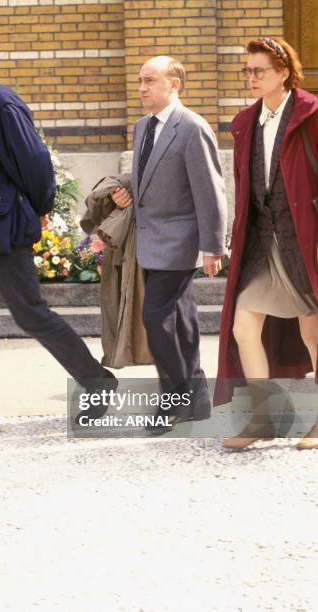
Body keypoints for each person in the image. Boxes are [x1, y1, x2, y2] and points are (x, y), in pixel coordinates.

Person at [0, 22, 116, 433]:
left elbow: (36, 164)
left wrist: (41, 207)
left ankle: (98, 382)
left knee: (30, 314)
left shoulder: (0, 102)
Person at [112, 56, 227, 433]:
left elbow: (211, 191)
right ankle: (198, 399)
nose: (142, 87)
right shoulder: (143, 125)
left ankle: (175, 400)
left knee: (155, 317)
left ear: (173, 84)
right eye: (140, 80)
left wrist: (213, 246)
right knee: (181, 318)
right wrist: (126, 191)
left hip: (180, 240)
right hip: (150, 237)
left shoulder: (192, 127)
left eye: (150, 80)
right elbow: (146, 175)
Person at [214, 37, 318, 450]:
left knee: (313, 334)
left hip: (305, 243)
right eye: (248, 70)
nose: (251, 77)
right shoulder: (246, 122)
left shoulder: (311, 115)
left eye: (260, 70)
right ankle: (262, 418)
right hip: (261, 242)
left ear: (284, 73)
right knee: (243, 325)